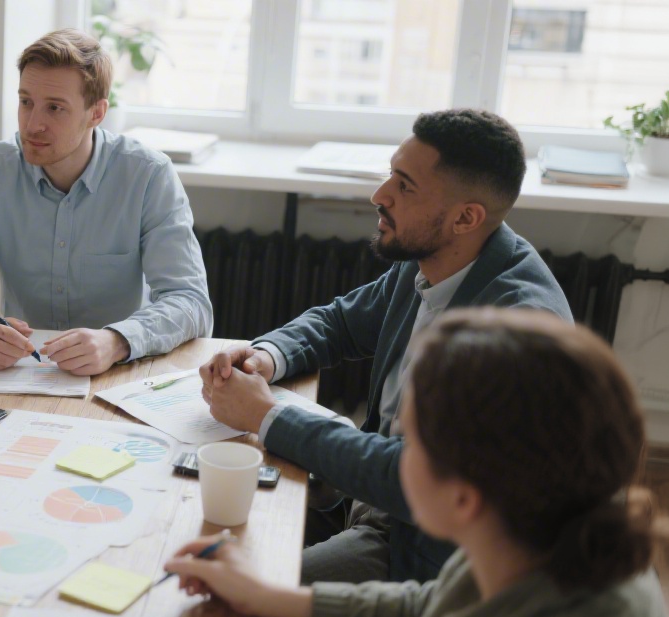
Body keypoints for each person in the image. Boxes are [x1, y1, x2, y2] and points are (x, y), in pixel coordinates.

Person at [12, 308, 669, 617]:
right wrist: (271, 595)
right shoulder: (557, 535)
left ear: (463, 497)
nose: (391, 449)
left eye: (407, 439)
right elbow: (428, 614)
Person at [201, 109, 572, 586]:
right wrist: (266, 357)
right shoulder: (433, 258)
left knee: (237, 593)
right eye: (390, 174)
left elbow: (417, 480)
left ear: (465, 217)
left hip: (426, 551)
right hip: (366, 498)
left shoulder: (518, 333)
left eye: (405, 185)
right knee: (199, 520)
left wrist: (266, 416)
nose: (379, 195)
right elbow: (340, 322)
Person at [0, 29, 212, 376]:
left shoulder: (148, 175)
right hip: (21, 373)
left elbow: (190, 301)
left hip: (119, 373)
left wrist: (117, 341)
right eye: (26, 102)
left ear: (96, 113)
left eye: (55, 108)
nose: (32, 125)